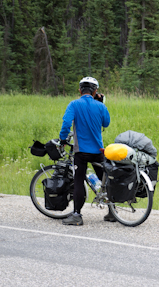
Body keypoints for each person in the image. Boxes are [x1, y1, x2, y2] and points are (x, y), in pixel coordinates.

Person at [59, 77, 114, 226]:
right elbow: (106, 123)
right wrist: (101, 104)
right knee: (105, 180)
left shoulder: (74, 104)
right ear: (95, 91)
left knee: (78, 181)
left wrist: (63, 139)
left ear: (79, 90)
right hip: (98, 150)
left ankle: (77, 215)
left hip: (81, 151)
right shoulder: (100, 106)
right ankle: (112, 212)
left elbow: (66, 123)